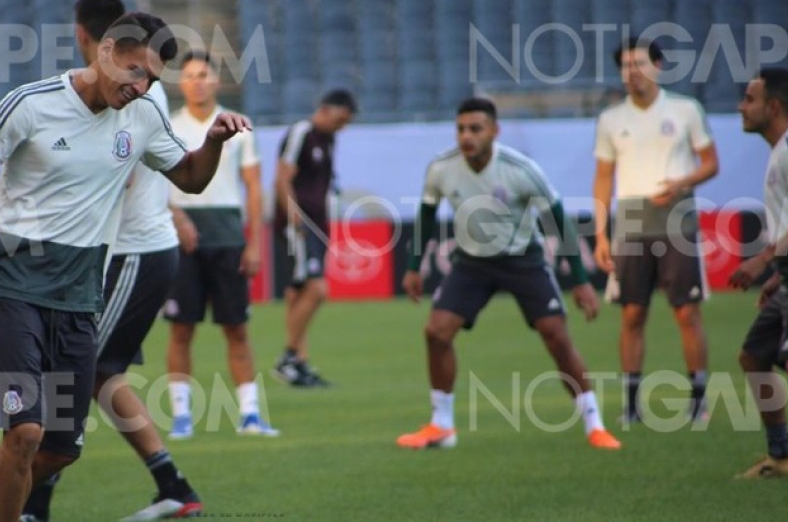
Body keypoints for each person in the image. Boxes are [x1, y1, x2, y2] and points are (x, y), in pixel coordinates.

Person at [0, 12, 250, 522]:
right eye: (134, 70)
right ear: (104, 52)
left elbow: (189, 179)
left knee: (60, 449)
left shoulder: (141, 117)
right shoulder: (30, 104)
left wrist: (212, 143)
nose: (141, 86)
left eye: (151, 79)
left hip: (80, 295)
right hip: (15, 285)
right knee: (25, 431)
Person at [398, 98, 621, 451]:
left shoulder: (520, 169)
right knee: (436, 332)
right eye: (461, 129)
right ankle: (442, 426)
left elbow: (557, 219)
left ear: (494, 131)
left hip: (522, 259)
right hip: (471, 262)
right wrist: (413, 266)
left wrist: (579, 281)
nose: (466, 136)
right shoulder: (442, 168)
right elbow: (426, 216)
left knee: (556, 337)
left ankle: (594, 424)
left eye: (475, 129)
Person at [592, 37, 719, 423]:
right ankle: (632, 406)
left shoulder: (685, 110)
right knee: (632, 313)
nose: (633, 73)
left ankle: (698, 399)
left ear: (658, 66)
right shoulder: (611, 119)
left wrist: (682, 183)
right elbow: (603, 178)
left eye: (640, 64)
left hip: (676, 216)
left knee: (686, 312)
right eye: (626, 66)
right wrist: (600, 233)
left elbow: (711, 163)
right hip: (631, 218)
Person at [165, 50, 277, 438]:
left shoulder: (238, 126)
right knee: (181, 328)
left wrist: (254, 244)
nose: (198, 81)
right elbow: (154, 182)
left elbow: (253, 187)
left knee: (237, 327)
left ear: (216, 81)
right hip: (183, 238)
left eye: (205, 75)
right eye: (191, 75)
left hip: (228, 235)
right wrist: (176, 219)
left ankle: (250, 415)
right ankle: (182, 416)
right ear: (182, 83)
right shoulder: (169, 126)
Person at [729, 68, 788, 478]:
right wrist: (778, 275)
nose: (741, 106)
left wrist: (762, 259)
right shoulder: (778, 152)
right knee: (754, 356)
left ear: (772, 106)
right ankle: (782, 456)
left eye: (749, 99)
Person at [272, 90, 357, 387]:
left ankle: (298, 363)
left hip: (318, 226)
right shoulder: (302, 133)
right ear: (325, 109)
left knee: (299, 293)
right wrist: (293, 215)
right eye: (340, 119)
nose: (341, 127)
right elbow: (282, 177)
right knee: (317, 289)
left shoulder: (328, 140)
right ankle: (288, 357)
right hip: (300, 226)